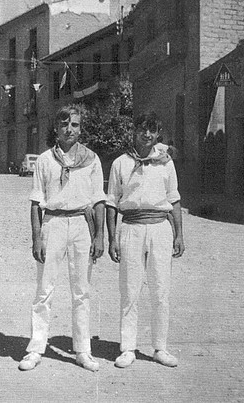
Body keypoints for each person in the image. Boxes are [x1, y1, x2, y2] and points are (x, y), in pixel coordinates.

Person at [18, 105, 106, 372]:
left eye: (75, 125)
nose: (70, 129)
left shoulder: (92, 159)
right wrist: (37, 238)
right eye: (64, 124)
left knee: (82, 291)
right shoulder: (45, 160)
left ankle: (82, 350)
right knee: (44, 290)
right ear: (55, 129)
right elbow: (36, 202)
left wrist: (99, 236)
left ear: (81, 129)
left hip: (81, 224)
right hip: (53, 224)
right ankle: (35, 348)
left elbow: (99, 200)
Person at [106, 111, 185, 369]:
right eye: (142, 129)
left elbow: (173, 200)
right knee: (129, 290)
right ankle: (128, 348)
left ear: (158, 134)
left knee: (161, 290)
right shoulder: (120, 163)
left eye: (152, 130)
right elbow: (111, 203)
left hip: (160, 229)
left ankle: (160, 347)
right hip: (131, 228)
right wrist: (112, 238)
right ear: (134, 130)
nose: (147, 135)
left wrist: (179, 235)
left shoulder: (166, 163)